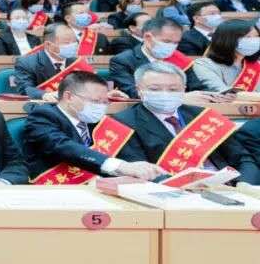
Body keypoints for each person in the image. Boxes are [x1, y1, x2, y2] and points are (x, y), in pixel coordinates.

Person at [113, 61, 259, 184]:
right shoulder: (123, 122)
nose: (165, 93)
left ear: (183, 90)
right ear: (139, 90)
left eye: (173, 89)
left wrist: (244, 186)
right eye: (155, 89)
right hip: (173, 191)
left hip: (227, 186)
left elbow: (243, 159)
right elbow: (141, 172)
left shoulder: (203, 115)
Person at [22, 71, 167, 182]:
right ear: (69, 97)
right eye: (96, 101)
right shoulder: (42, 116)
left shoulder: (95, 121)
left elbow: (124, 155)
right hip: (58, 187)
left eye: (105, 102)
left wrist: (139, 166)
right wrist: (120, 166)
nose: (101, 107)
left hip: (100, 184)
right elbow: (63, 146)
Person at [108, 17, 207, 98]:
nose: (172, 46)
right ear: (148, 37)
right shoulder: (123, 61)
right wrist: (181, 97)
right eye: (167, 41)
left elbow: (198, 89)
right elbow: (132, 92)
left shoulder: (179, 59)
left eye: (176, 43)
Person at [192, 20, 260, 93]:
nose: (254, 41)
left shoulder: (256, 65)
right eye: (248, 37)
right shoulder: (204, 64)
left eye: (256, 36)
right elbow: (223, 93)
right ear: (228, 39)